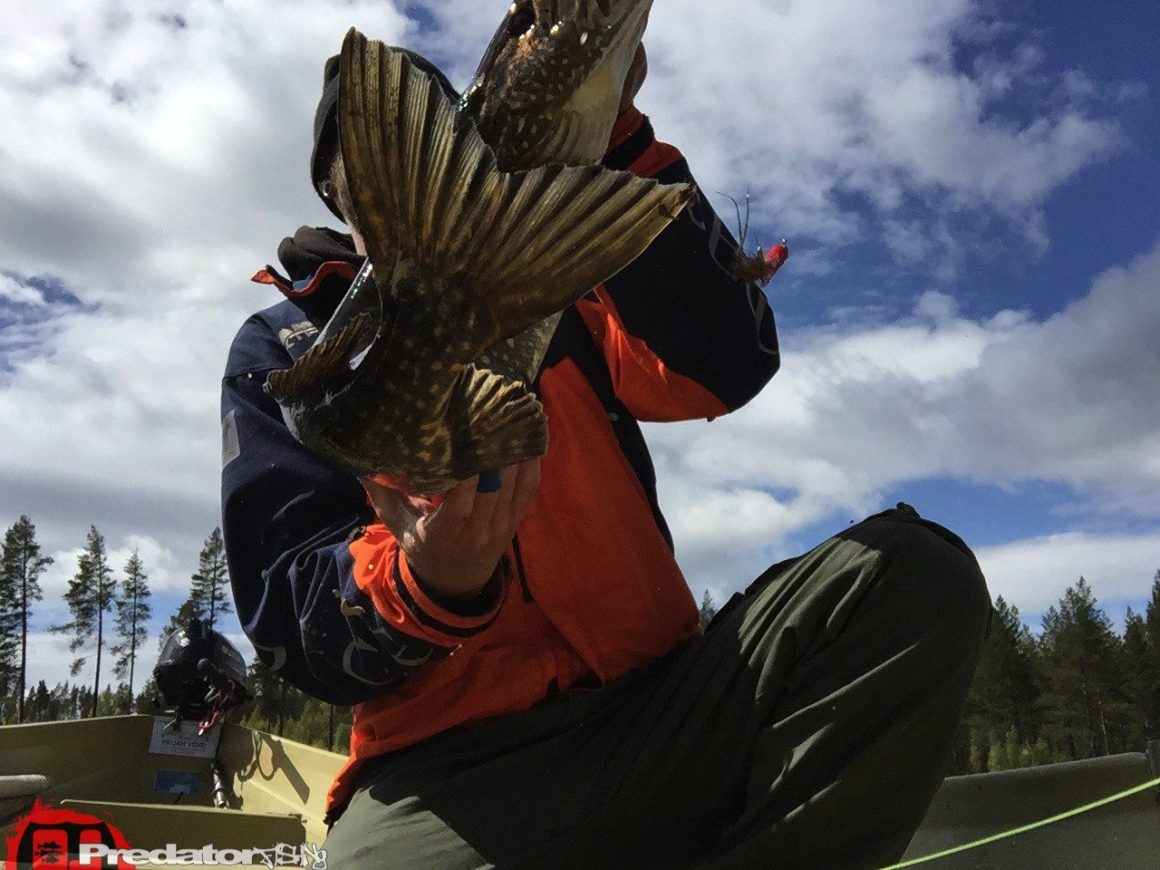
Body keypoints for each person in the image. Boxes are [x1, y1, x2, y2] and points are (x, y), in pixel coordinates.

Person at [222, 42, 990, 870]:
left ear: (460, 161)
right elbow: (287, 613)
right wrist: (422, 584)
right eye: (365, 176)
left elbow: (726, 364)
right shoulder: (287, 349)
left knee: (915, 577)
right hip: (449, 772)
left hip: (661, 707)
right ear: (337, 196)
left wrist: (610, 130)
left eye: (420, 154)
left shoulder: (569, 280)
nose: (396, 190)